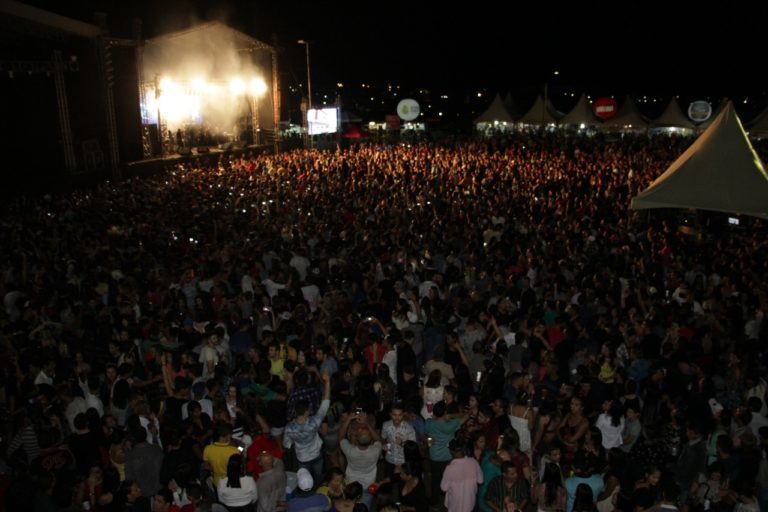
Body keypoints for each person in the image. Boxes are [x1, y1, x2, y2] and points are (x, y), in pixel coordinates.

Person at [283, 372, 331, 482]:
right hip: (316, 455)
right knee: (318, 479)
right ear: (306, 412)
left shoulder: (289, 428)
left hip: (302, 458)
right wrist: (328, 382)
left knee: (305, 480)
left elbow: (286, 445)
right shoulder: (314, 422)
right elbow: (325, 403)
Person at [440, 438, 484, 512]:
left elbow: (443, 488)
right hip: (470, 505)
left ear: (451, 451)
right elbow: (481, 481)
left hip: (454, 506)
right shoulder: (474, 462)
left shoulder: (450, 468)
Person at [203, 423, 239, 487]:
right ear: (227, 436)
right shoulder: (234, 450)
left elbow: (206, 466)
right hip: (230, 482)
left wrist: (216, 469)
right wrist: (241, 447)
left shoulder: (207, 448)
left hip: (217, 483)